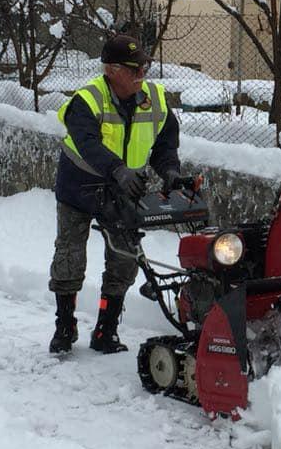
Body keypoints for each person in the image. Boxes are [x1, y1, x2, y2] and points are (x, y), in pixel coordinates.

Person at [48, 33, 191, 355]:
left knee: (125, 257)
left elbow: (165, 144)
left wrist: (169, 171)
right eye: (136, 69)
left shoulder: (154, 98)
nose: (143, 75)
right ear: (112, 70)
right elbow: (87, 144)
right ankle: (65, 325)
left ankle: (106, 330)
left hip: (123, 187)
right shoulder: (87, 100)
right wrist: (118, 170)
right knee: (70, 257)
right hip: (79, 186)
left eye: (145, 68)